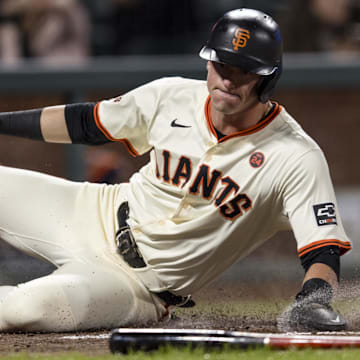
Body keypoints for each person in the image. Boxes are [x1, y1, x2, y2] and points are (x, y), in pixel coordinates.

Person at [0, 8, 352, 332]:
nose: (228, 80)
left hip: (137, 287)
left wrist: (315, 300)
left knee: (23, 308)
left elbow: (322, 249)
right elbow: (86, 123)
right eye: (222, 65)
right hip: (94, 212)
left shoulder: (296, 156)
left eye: (244, 71)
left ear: (268, 79)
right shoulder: (172, 95)